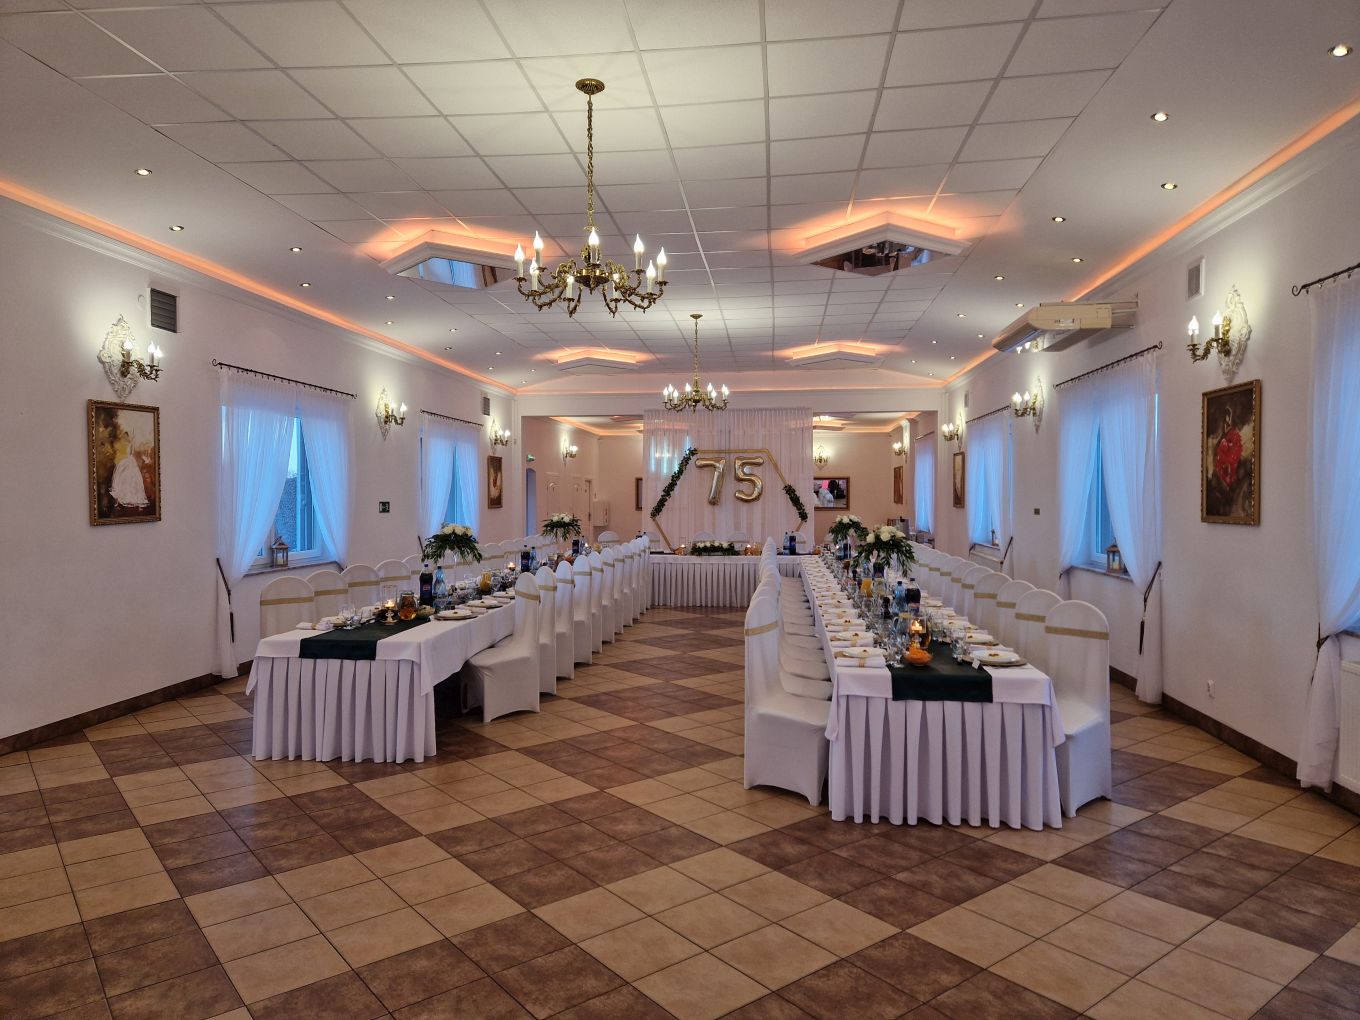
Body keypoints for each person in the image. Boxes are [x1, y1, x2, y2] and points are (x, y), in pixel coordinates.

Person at [109, 430, 148, 509]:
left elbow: (131, 452)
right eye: (124, 436)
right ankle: (118, 501)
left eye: (126, 436)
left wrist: (132, 442)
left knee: (132, 480)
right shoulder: (123, 444)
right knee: (121, 479)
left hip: (129, 461)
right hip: (125, 461)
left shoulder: (129, 444)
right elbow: (122, 451)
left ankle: (135, 501)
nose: (125, 438)